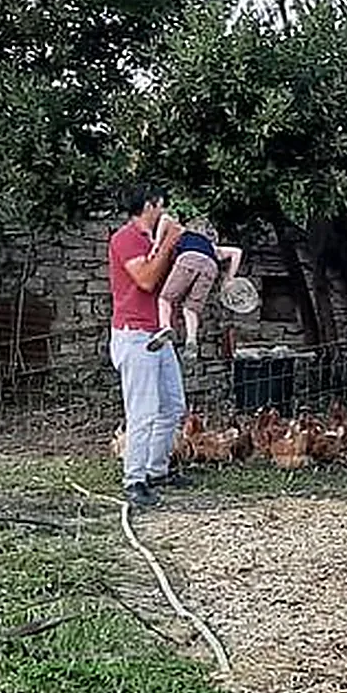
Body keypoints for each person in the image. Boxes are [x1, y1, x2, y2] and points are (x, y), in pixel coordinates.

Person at [108, 184, 187, 508]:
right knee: (142, 412)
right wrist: (169, 241)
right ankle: (134, 480)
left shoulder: (151, 241)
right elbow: (146, 280)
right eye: (163, 206)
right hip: (135, 335)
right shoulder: (126, 238)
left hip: (158, 332)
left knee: (173, 405)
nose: (166, 213)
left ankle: (157, 470)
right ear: (152, 205)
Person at [147, 217, 242, 361]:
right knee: (191, 309)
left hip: (189, 258)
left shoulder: (185, 232)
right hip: (211, 266)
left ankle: (165, 327)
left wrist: (156, 243)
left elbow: (165, 218)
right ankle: (191, 341)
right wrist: (228, 279)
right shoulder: (213, 247)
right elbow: (237, 252)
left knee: (165, 299)